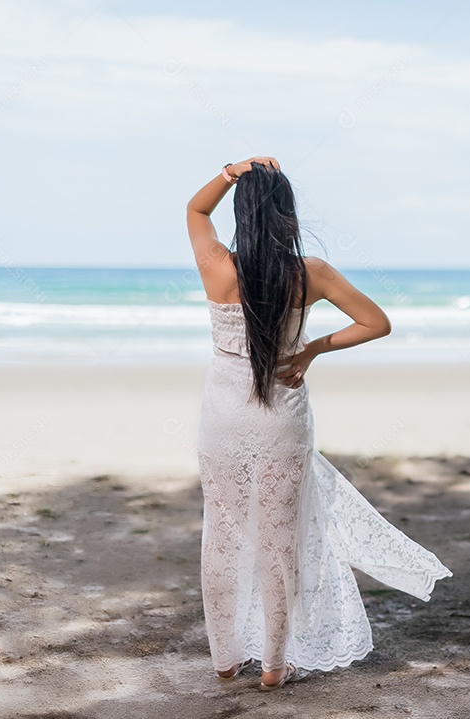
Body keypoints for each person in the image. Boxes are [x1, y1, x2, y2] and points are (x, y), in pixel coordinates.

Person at [185, 157, 452, 691]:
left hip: (223, 419)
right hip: (282, 418)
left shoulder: (216, 264)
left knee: (224, 537)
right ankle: (273, 666)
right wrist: (312, 350)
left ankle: (224, 659)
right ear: (287, 214)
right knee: (279, 544)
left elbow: (195, 208)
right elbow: (377, 323)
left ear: (243, 213)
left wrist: (231, 171)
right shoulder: (311, 274)